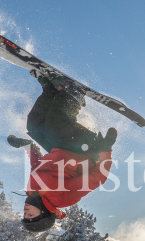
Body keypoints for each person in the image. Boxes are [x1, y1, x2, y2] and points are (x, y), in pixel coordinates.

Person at [8, 71, 117, 232]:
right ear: (44, 214)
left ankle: (50, 91)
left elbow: (37, 165)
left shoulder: (32, 191)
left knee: (34, 126)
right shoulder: (63, 198)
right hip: (86, 150)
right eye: (31, 216)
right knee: (53, 128)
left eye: (24, 216)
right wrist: (106, 149)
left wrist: (27, 146)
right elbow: (98, 178)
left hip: (61, 150)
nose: (25, 213)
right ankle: (74, 96)